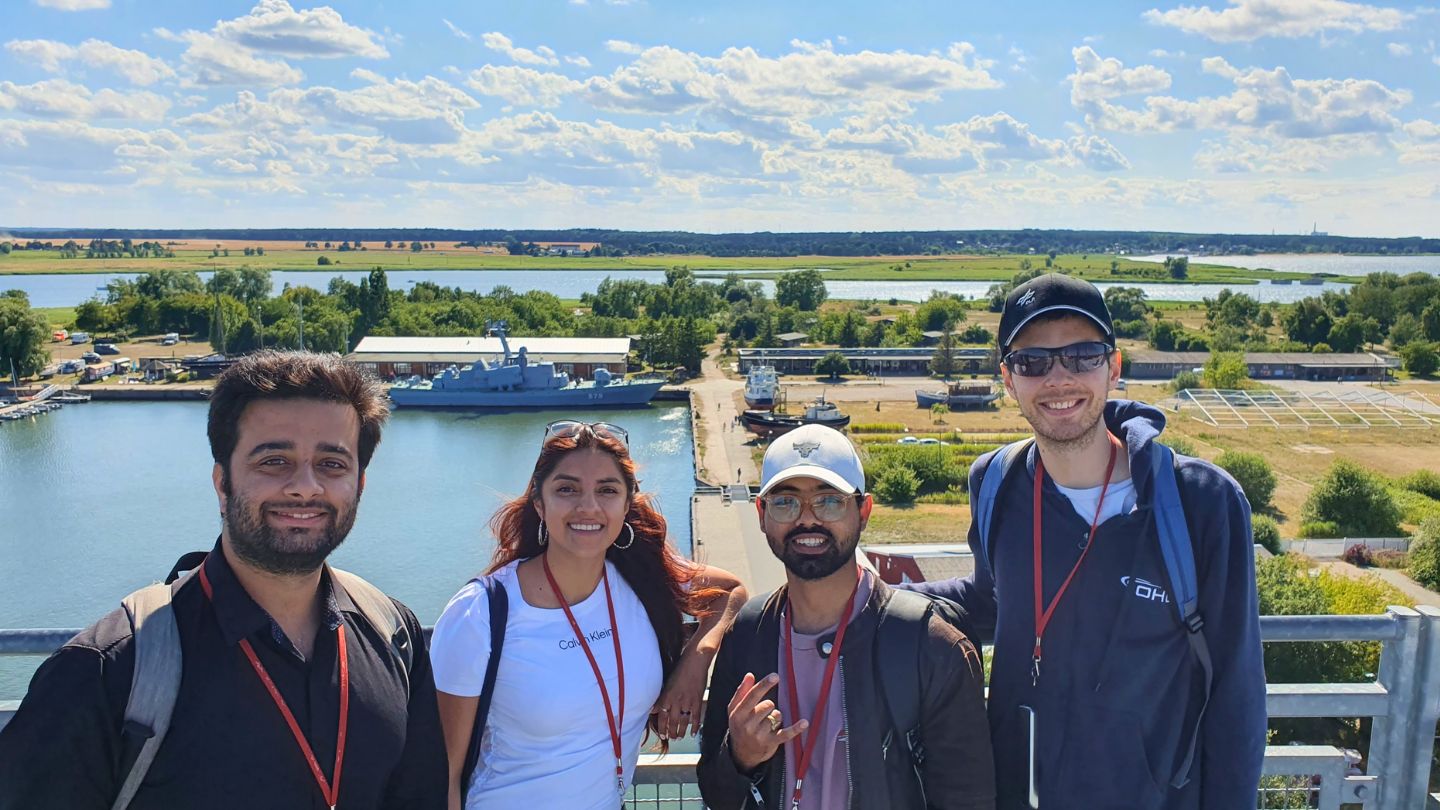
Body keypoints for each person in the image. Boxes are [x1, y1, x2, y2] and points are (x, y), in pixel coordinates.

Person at [0, 351, 447, 809]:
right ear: (222, 482)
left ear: (360, 485)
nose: (305, 486)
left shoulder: (395, 635)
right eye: (274, 460)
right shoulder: (105, 672)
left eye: (332, 464)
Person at [906, 273, 1266, 809]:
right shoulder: (996, 483)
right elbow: (991, 600)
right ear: (1008, 378)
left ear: (1113, 367)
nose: (1059, 378)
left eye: (1082, 356)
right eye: (1033, 362)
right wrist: (872, 598)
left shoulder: (1201, 503)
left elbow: (1237, 695)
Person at [430, 420, 747, 810]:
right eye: (567, 489)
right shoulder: (480, 613)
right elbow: (441, 775)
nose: (588, 507)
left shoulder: (642, 580)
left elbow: (730, 592)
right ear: (539, 503)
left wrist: (694, 664)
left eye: (607, 490)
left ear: (627, 504)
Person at [697, 424, 995, 809]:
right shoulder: (748, 636)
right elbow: (715, 793)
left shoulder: (932, 646)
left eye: (830, 501)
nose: (807, 519)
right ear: (761, 513)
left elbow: (969, 798)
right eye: (785, 502)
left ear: (864, 511)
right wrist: (739, 758)